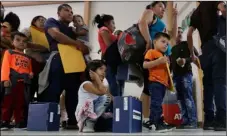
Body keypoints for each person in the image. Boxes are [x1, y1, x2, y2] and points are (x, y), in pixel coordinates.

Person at [39, 4, 88, 129]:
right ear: (58, 13)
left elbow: (85, 46)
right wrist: (76, 43)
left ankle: (72, 121)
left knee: (74, 92)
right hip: (59, 58)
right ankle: (49, 120)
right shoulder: (52, 22)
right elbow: (56, 35)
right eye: (66, 10)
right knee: (54, 90)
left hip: (75, 61)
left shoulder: (73, 30)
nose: (70, 13)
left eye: (71, 11)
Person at [187, 1, 226, 131]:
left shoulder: (195, 13)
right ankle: (221, 120)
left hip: (205, 50)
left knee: (208, 85)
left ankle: (208, 120)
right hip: (219, 45)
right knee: (220, 82)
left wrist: (192, 54)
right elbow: (224, 9)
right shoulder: (214, 1)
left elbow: (189, 34)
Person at [0, 32, 33, 130]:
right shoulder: (9, 52)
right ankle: (4, 121)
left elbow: (29, 69)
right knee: (8, 101)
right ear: (12, 42)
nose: (21, 43)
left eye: (24, 41)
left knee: (21, 102)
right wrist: (5, 79)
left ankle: (19, 122)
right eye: (18, 40)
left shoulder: (28, 57)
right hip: (12, 80)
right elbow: (5, 66)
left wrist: (31, 73)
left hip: (23, 82)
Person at [143, 32, 175, 132]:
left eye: (167, 43)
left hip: (163, 84)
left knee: (158, 103)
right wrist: (159, 61)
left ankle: (156, 121)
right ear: (155, 42)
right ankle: (156, 123)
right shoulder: (151, 52)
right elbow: (145, 65)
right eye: (163, 41)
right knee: (156, 103)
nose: (166, 44)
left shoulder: (164, 56)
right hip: (155, 82)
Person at [171, 27, 199, 129]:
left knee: (187, 97)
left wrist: (185, 60)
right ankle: (185, 120)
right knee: (180, 99)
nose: (179, 34)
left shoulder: (187, 44)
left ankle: (193, 121)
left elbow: (196, 57)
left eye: (181, 32)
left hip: (186, 74)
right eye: (177, 32)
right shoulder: (172, 49)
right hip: (175, 76)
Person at [75, 60, 112, 133]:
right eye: (101, 69)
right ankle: (88, 123)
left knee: (112, 122)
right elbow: (102, 93)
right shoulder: (86, 84)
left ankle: (94, 122)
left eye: (105, 70)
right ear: (92, 71)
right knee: (106, 98)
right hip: (84, 114)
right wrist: (97, 78)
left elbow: (110, 96)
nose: (103, 72)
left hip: (95, 113)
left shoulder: (101, 86)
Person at [93, 14, 120, 96]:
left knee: (115, 83)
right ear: (106, 23)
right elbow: (109, 45)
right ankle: (114, 104)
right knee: (112, 83)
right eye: (113, 23)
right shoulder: (104, 29)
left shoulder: (107, 32)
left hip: (111, 60)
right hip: (110, 60)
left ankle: (116, 103)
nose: (114, 26)